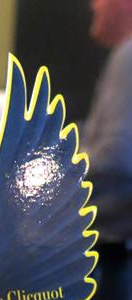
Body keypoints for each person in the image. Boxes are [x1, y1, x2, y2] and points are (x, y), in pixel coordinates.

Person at [84, 0, 132, 240]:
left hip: (106, 245)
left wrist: (52, 176)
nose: (93, 6)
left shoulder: (128, 55)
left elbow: (118, 154)